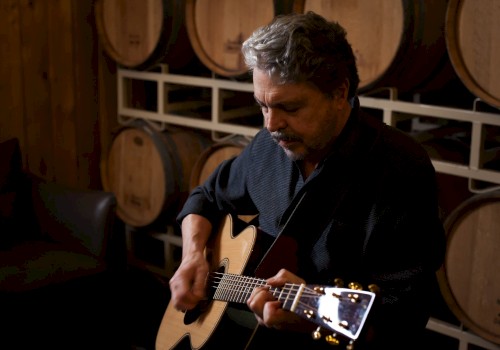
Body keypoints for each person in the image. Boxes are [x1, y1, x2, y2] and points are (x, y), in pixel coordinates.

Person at [167, 11, 446, 350]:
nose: (271, 124)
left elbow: (404, 316)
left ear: (339, 92)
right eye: (262, 106)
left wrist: (309, 320)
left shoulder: (401, 169)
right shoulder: (267, 146)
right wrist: (193, 254)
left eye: (290, 108)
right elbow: (207, 197)